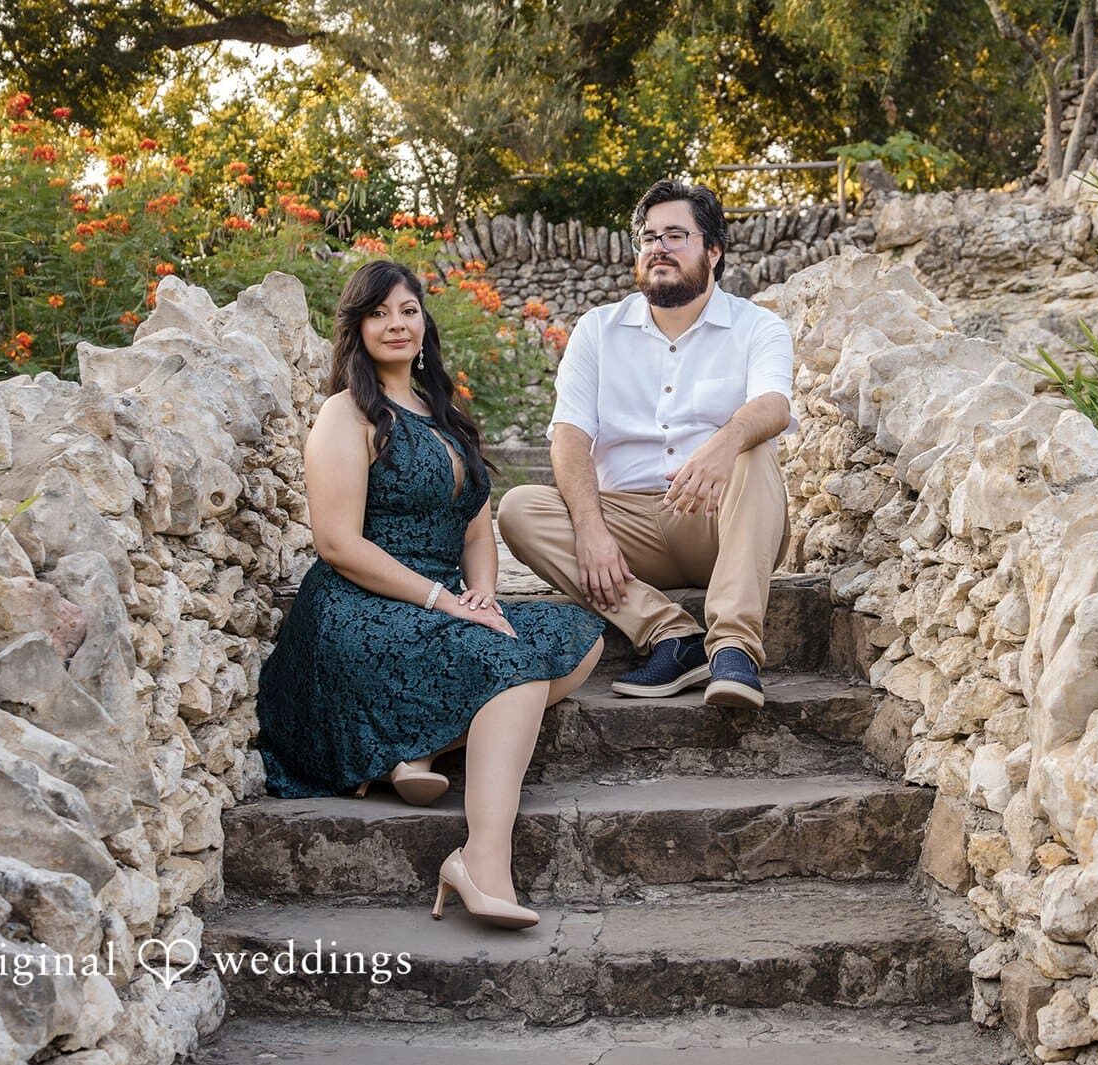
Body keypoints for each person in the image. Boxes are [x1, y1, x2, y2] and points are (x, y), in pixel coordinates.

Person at [254, 260, 605, 930]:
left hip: (442, 600)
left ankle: (420, 744)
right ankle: (481, 860)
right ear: (358, 327)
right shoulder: (346, 412)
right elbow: (337, 543)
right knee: (516, 669)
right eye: (379, 312)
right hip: (356, 606)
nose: (396, 323)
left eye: (408, 310)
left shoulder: (449, 419)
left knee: (575, 640)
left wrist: (482, 596)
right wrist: (443, 603)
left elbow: (477, 530)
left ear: (424, 322)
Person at [498, 180, 795, 710]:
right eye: (647, 236)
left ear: (714, 249)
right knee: (520, 508)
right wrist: (590, 528)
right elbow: (569, 436)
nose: (658, 246)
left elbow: (774, 406)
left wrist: (724, 443)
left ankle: (733, 650)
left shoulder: (758, 327)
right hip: (626, 527)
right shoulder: (598, 330)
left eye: (676, 235)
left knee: (754, 448)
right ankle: (672, 636)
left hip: (720, 521)